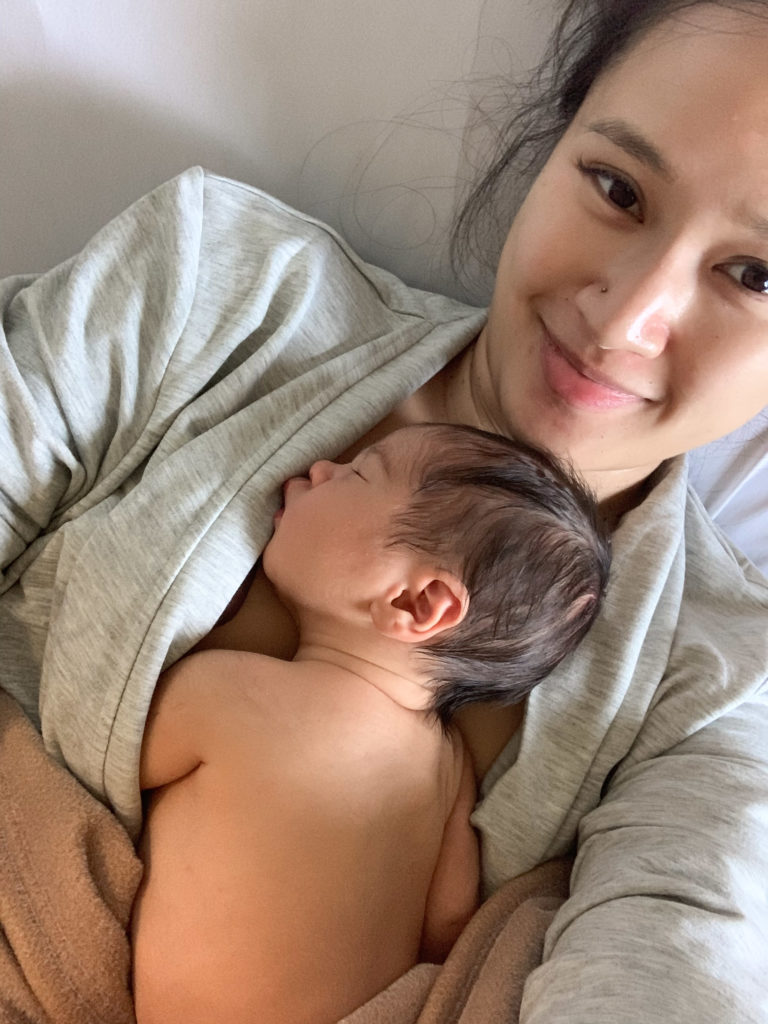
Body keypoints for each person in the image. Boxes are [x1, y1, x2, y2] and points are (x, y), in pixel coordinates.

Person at [1, 2, 767, 1022]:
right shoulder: (217, 291)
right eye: (617, 188)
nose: (627, 318)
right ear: (550, 151)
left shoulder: (722, 680)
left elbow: (679, 963)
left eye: (756, 275)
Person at [130, 423, 609, 1024]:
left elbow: (95, 752)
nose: (322, 467)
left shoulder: (234, 692)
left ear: (413, 602)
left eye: (358, 473)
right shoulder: (448, 768)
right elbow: (448, 925)